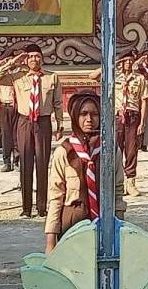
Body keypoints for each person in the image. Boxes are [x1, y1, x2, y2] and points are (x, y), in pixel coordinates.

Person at [0, 44, 63, 218]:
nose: (34, 59)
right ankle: (26, 208)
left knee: (42, 164)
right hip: (24, 122)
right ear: (26, 60)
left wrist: (60, 125)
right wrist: (12, 62)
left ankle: (42, 207)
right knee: (25, 164)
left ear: (42, 58)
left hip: (43, 123)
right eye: (31, 56)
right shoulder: (17, 76)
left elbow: (58, 103)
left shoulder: (52, 77)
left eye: (37, 56)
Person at [45, 91, 126, 253]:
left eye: (95, 114)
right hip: (72, 226)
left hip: (105, 224)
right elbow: (55, 196)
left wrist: (119, 229)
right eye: (83, 114)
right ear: (75, 116)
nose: (89, 119)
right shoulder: (64, 151)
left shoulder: (110, 150)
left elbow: (117, 191)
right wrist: (51, 241)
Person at [115, 56, 148, 197]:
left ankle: (130, 182)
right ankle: (118, 182)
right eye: (125, 61)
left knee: (131, 150)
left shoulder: (139, 78)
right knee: (116, 150)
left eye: (130, 61)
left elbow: (144, 100)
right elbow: (93, 76)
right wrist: (113, 64)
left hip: (133, 116)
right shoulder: (114, 77)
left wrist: (142, 122)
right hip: (118, 117)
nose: (128, 63)